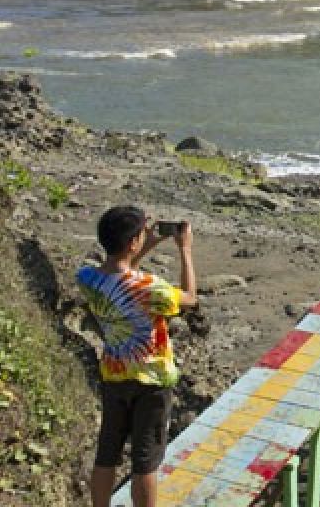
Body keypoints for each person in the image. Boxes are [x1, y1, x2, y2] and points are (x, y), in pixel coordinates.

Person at [77, 206, 198, 507]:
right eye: (141, 235)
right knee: (145, 461)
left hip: (113, 375)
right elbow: (189, 298)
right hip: (151, 380)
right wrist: (185, 250)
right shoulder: (150, 288)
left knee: (107, 454)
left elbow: (117, 272)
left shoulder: (88, 279)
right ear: (132, 242)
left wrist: (144, 247)